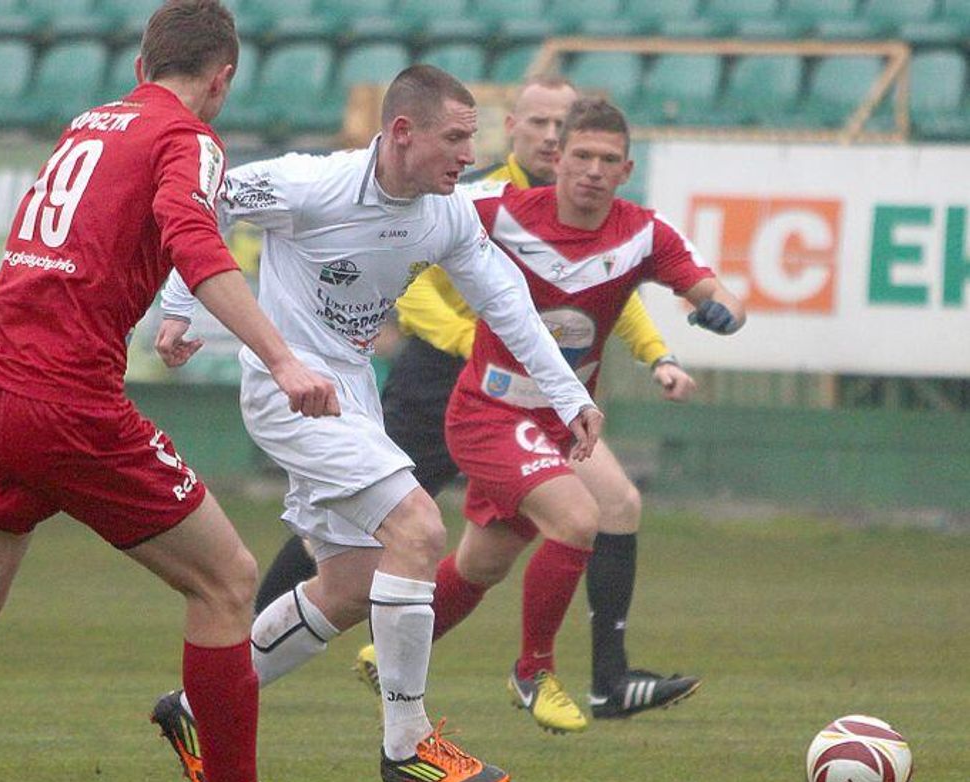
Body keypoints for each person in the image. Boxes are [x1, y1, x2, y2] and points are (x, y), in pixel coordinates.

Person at [0, 3, 348, 782]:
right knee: (227, 581)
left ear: (143, 67)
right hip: (64, 400)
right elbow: (191, 232)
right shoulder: (190, 136)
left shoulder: (91, 123)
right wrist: (281, 358)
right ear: (223, 79)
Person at [154, 65, 603, 782]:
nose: (469, 153)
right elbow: (200, 204)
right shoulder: (311, 184)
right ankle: (407, 741)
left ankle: (196, 705)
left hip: (351, 393)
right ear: (403, 132)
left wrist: (565, 393)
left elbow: (507, 302)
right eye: (457, 138)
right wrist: (178, 304)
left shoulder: (446, 211)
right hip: (286, 384)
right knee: (420, 527)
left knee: (353, 583)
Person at [247, 76, 700, 734]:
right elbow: (412, 276)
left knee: (470, 552)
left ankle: (601, 675)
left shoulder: (547, 207)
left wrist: (652, 355)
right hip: (439, 380)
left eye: (562, 124)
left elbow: (595, 295)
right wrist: (464, 339)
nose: (552, 136)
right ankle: (426, 721)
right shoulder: (472, 195)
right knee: (393, 529)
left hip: (524, 399)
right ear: (513, 126)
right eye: (542, 124)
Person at [428, 95, 744, 733]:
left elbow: (723, 296)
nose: (593, 170)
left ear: (626, 170)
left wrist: (719, 312)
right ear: (557, 158)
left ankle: (393, 642)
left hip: (562, 424)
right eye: (581, 156)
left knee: (485, 561)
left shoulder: (644, 232)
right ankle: (535, 670)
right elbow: (409, 219)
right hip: (489, 410)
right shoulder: (500, 210)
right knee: (581, 517)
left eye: (607, 160)